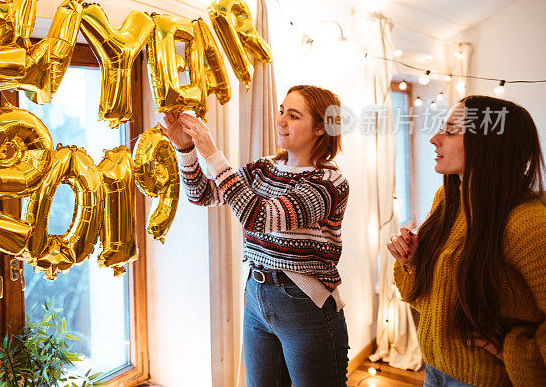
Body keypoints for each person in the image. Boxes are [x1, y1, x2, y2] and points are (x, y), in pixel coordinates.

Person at [162, 84, 350, 387]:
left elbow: (258, 216)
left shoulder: (328, 182)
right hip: (257, 294)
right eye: (281, 111)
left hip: (304, 304)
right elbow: (202, 195)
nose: (281, 121)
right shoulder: (265, 168)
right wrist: (187, 150)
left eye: (294, 115)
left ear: (320, 128)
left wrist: (212, 152)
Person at [388, 95, 546, 386]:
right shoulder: (447, 200)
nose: (434, 139)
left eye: (450, 131)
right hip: (434, 370)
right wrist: (412, 262)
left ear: (488, 143)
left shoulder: (527, 223)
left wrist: (513, 351)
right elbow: (430, 300)